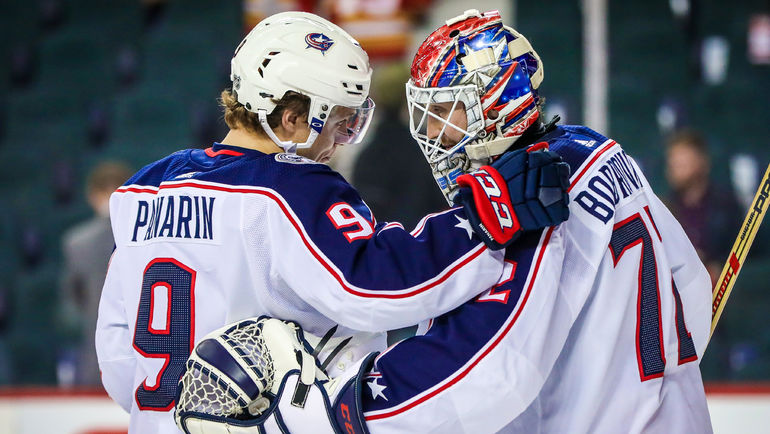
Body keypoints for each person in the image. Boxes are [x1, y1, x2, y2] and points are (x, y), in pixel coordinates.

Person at [176, 9, 714, 434]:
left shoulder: (536, 192)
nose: (434, 130)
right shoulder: (595, 150)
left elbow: (482, 370)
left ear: (497, 100)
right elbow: (692, 293)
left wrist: (325, 415)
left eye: (447, 108)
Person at [95, 11, 569, 434]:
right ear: (291, 117)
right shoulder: (289, 186)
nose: (341, 142)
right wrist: (488, 214)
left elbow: (119, 364)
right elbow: (371, 283)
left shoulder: (143, 190)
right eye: (340, 123)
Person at [59, 160, 133, 386]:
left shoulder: (76, 242)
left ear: (92, 196)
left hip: (97, 353)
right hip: (141, 355)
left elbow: (74, 299)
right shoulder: (149, 240)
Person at [664, 129, 742, 286]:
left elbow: (748, 253)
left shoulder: (726, 206)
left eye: (682, 163)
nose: (675, 169)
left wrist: (717, 266)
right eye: (673, 164)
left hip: (721, 294)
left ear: (701, 162)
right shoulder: (664, 208)